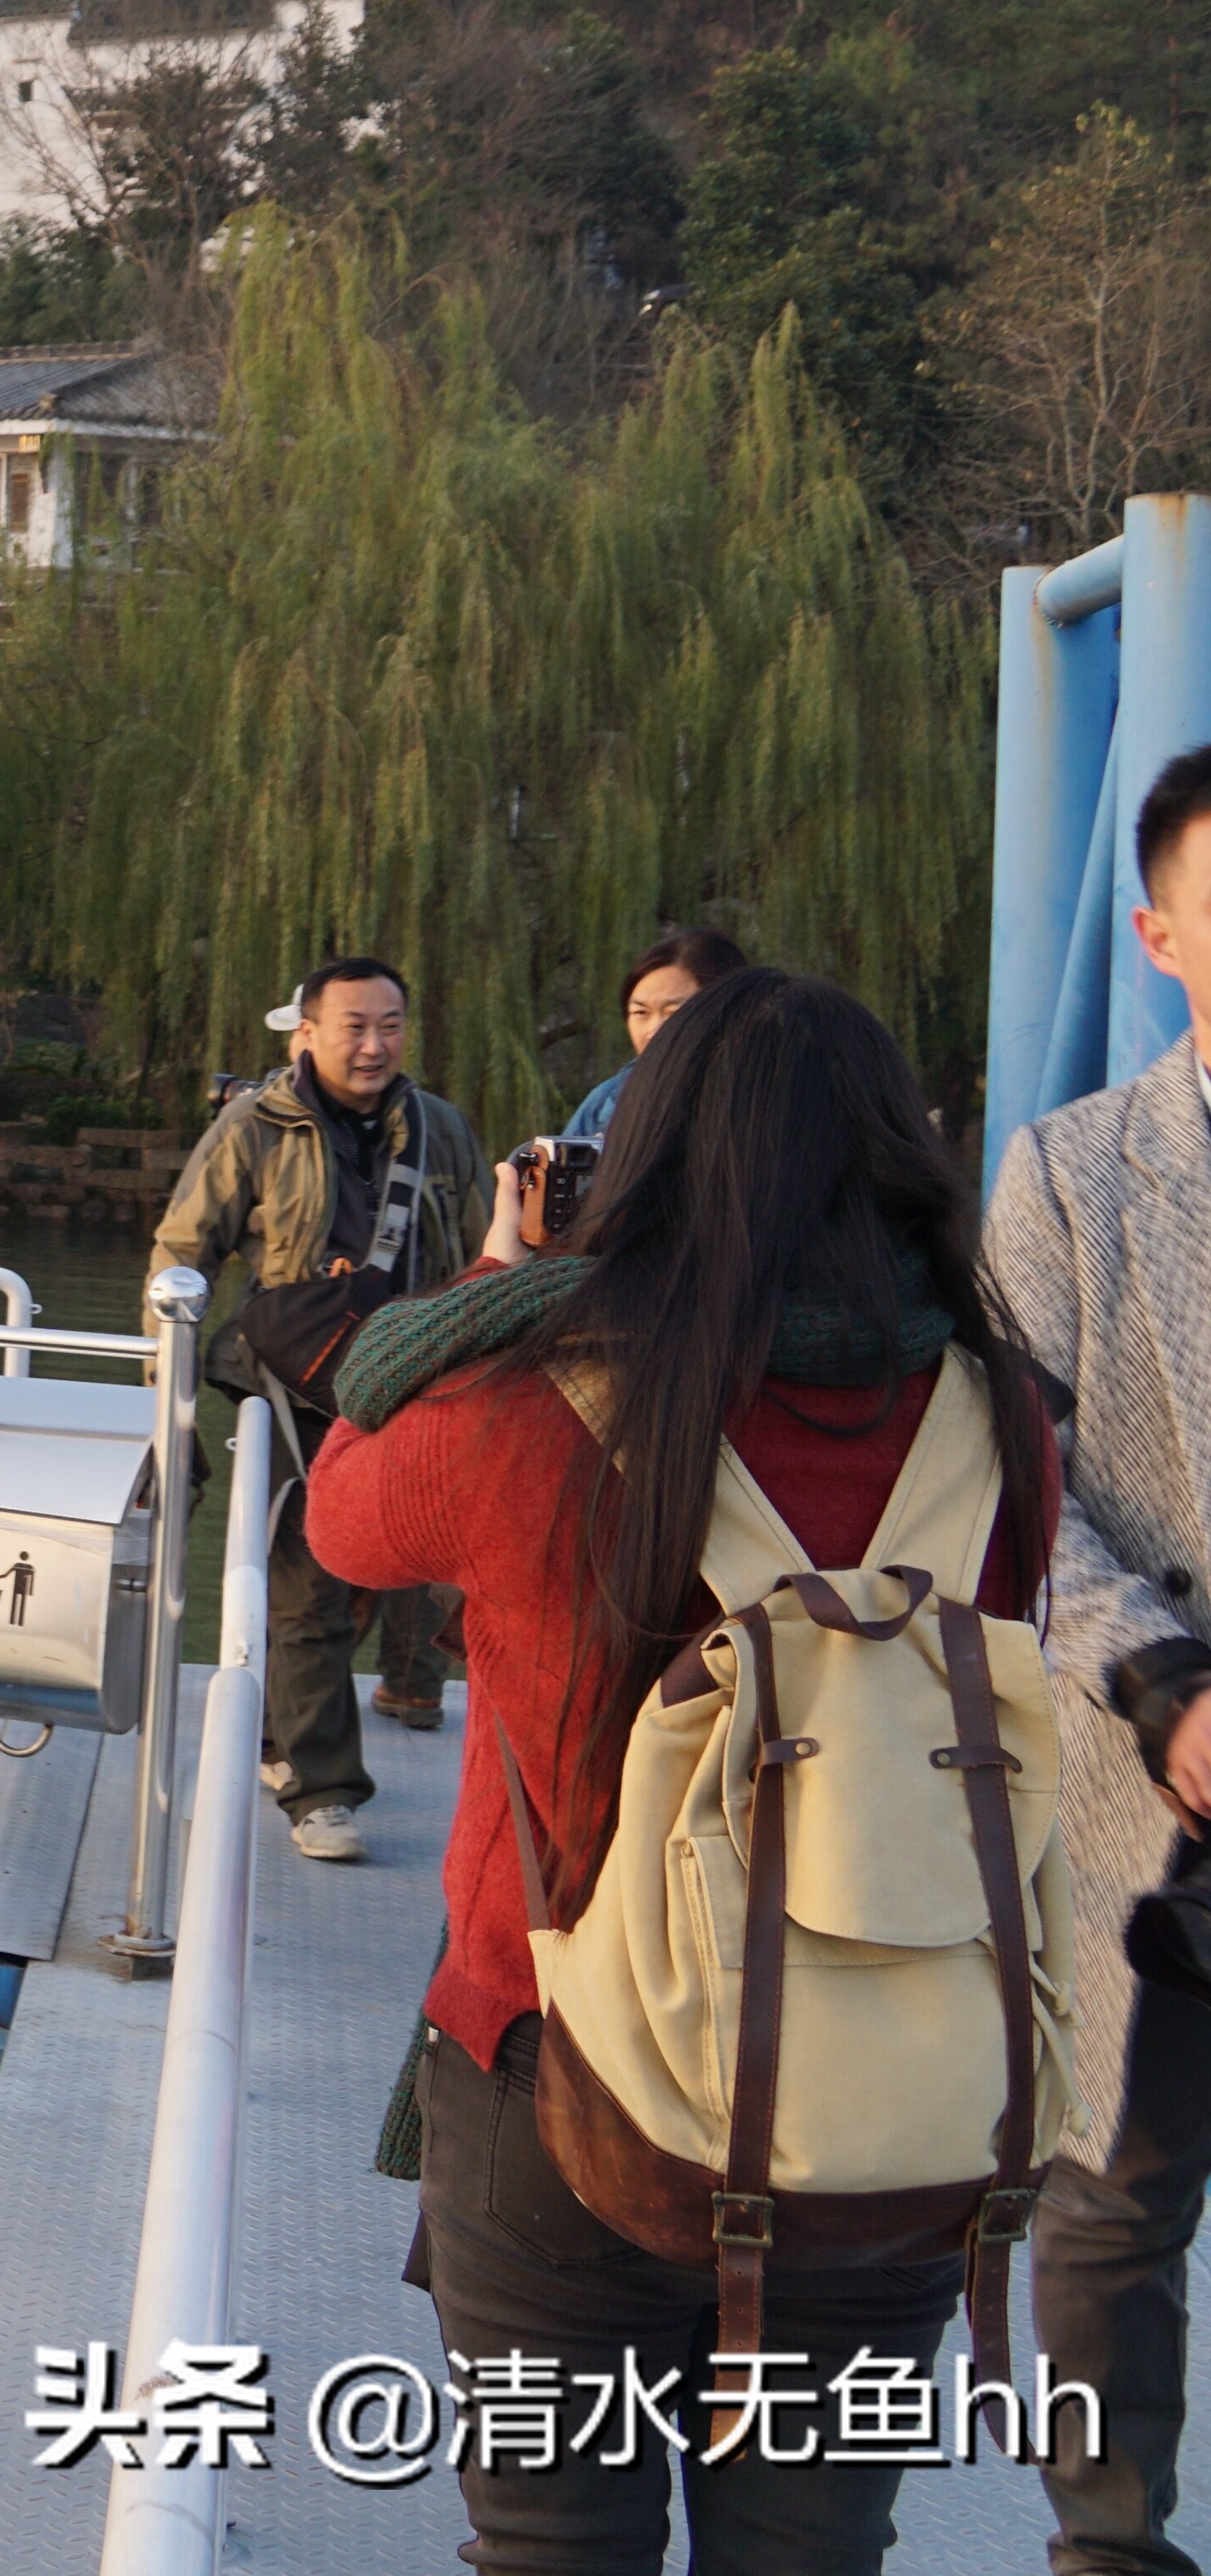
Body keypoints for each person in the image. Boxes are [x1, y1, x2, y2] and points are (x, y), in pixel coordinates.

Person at [310, 967, 1053, 2573]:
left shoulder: (541, 1401)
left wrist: (523, 1269)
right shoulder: (1001, 1421)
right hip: (895, 2101)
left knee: (553, 2550)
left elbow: (343, 1508)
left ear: (647, 1159)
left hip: (558, 2077)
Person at [991, 742, 1211, 2576]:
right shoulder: (1069, 1176)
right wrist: (1163, 1685)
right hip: (1158, 1771)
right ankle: (1110, 2543)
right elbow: (1017, 1496)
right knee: (1117, 2197)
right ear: (1158, 933)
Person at [147, 957, 489, 1860]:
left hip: (411, 1384)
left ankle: (281, 1735)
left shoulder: (439, 1130)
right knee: (306, 1588)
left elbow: (482, 1257)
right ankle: (323, 1791)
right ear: (307, 1033)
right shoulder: (253, 1126)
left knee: (388, 1573)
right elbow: (182, 1253)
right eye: (353, 1026)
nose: (374, 1044)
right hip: (291, 1388)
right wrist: (168, 1399)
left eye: (391, 1024)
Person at [559, 924, 748, 1146]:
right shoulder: (607, 1102)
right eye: (641, 1012)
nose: (654, 1031)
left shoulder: (762, 1093)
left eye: (674, 1013)